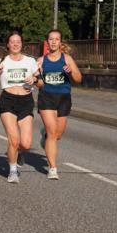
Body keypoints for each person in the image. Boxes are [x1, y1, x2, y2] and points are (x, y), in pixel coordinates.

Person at [0, 31, 41, 183]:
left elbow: (42, 83)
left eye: (18, 41)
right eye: (12, 42)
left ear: (22, 44)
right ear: (7, 44)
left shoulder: (30, 61)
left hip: (26, 101)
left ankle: (17, 152)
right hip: (7, 100)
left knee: (26, 144)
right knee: (14, 139)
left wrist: (34, 79)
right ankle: (12, 171)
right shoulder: (2, 61)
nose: (15, 44)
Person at [37, 29, 82, 180]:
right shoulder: (41, 61)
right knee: (52, 132)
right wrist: (38, 79)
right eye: (51, 39)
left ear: (60, 42)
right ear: (47, 42)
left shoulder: (67, 59)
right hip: (47, 97)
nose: (54, 41)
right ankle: (52, 168)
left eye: (57, 39)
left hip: (63, 98)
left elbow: (78, 78)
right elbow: (37, 82)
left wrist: (70, 72)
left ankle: (45, 138)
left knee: (58, 134)